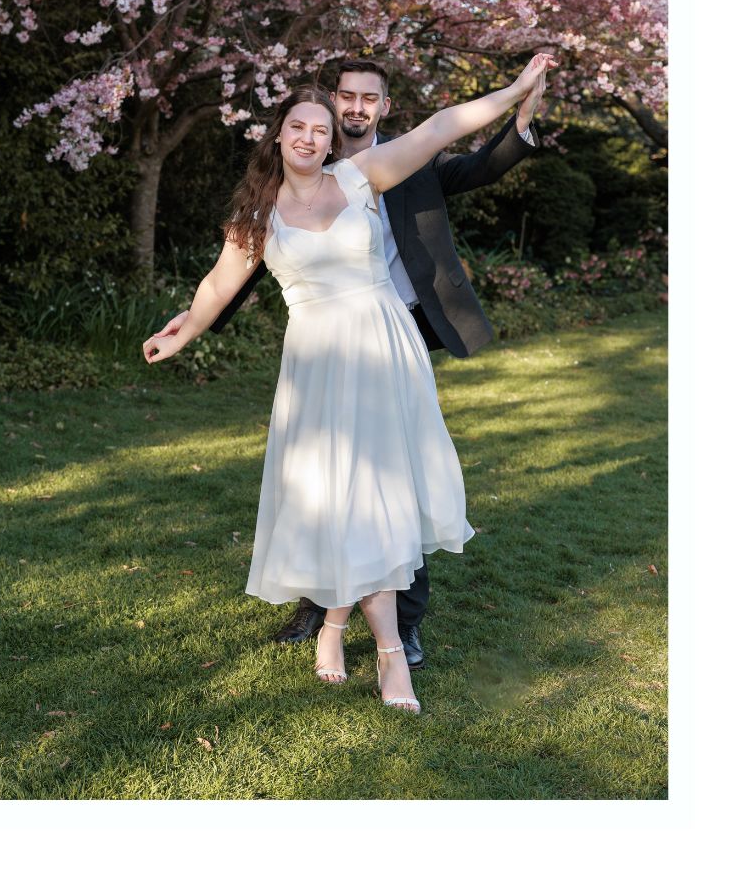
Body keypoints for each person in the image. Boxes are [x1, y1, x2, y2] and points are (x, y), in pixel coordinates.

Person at [143, 52, 558, 714]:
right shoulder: (258, 213)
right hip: (316, 368)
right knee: (336, 496)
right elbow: (218, 286)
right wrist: (184, 330)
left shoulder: (361, 177)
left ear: (330, 137)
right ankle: (335, 630)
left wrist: (513, 90)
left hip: (384, 352)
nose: (309, 136)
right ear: (278, 135)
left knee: (379, 496)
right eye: (297, 126)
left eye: (319, 128)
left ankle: (388, 652)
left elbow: (440, 129)